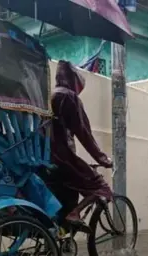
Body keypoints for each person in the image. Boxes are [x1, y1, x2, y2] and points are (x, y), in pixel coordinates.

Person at [42, 60, 113, 226]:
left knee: (63, 205)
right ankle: (75, 213)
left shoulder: (50, 96)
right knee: (102, 188)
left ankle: (60, 241)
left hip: (46, 159)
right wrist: (102, 159)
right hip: (63, 158)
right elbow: (84, 133)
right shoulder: (68, 96)